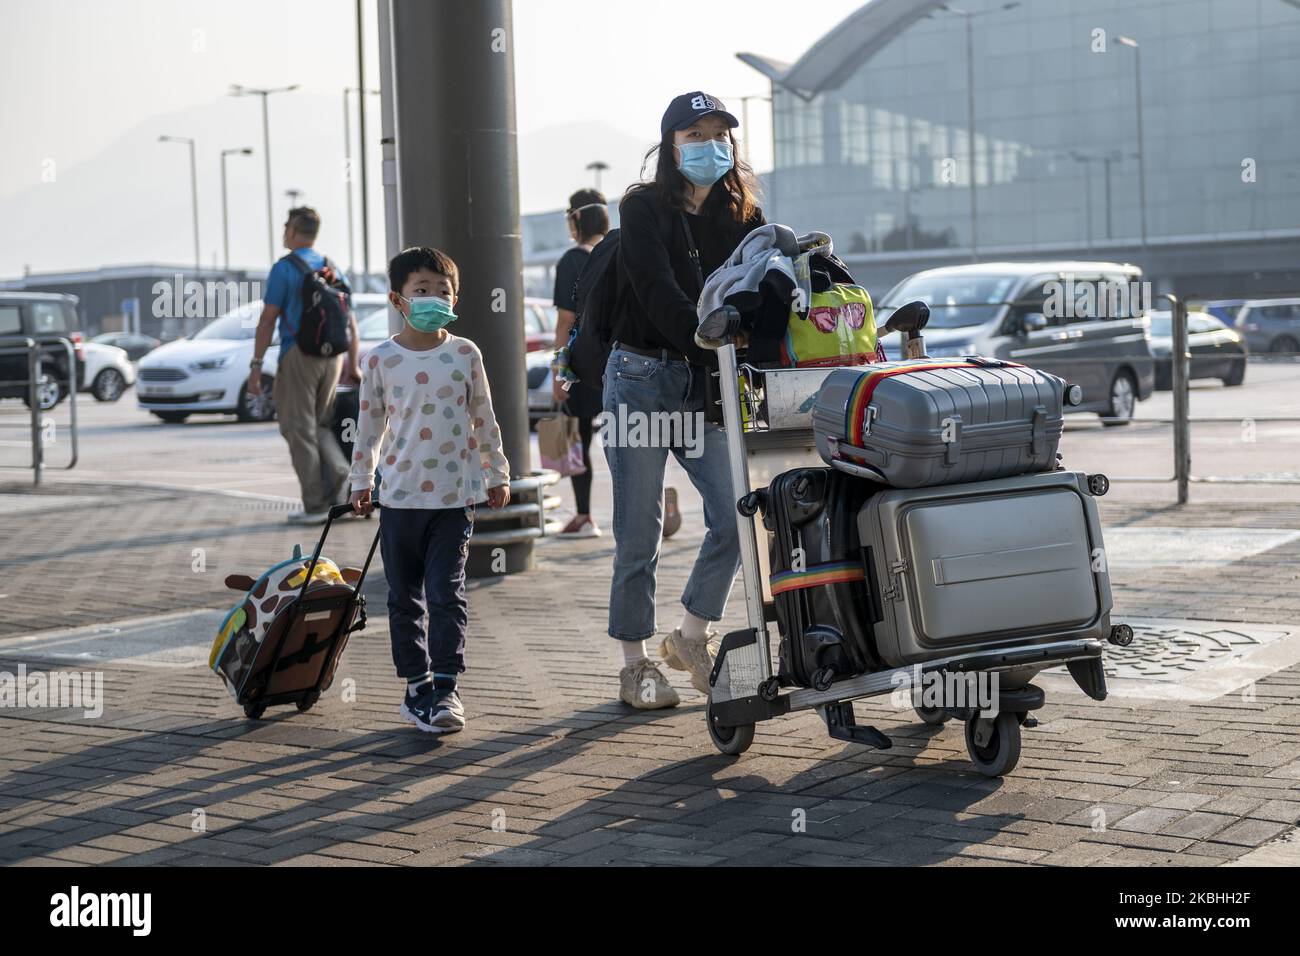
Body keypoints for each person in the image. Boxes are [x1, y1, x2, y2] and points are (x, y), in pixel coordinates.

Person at [604, 92, 765, 709]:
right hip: (643, 378)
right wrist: (710, 340)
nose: (709, 144)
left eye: (719, 133)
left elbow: (755, 289)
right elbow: (653, 287)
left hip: (706, 384)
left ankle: (691, 635)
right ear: (671, 143)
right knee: (639, 530)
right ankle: (635, 665)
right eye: (694, 134)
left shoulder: (744, 213)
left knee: (735, 516)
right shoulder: (642, 206)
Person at [349, 246, 510, 735]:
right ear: (399, 299)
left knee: (446, 594)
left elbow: (484, 416)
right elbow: (369, 425)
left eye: (444, 291)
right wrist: (361, 480)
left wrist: (496, 472)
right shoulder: (379, 360)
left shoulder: (465, 353)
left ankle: (445, 688)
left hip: (453, 499)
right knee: (404, 599)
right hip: (398, 499)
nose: (434, 298)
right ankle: (415, 686)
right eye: (423, 290)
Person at [250, 207, 359, 525]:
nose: (284, 232)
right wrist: (352, 362)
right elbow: (350, 321)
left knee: (298, 429)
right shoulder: (332, 267)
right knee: (321, 425)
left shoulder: (284, 269)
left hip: (300, 354)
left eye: (286, 227)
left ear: (295, 231)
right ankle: (341, 488)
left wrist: (256, 365)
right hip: (333, 358)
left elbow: (268, 319)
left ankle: (315, 505)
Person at [550, 188, 608, 537]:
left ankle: (585, 516)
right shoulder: (620, 251)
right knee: (634, 441)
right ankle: (651, 508)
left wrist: (559, 374)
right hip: (623, 360)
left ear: (576, 219)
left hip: (584, 367)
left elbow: (564, 322)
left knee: (578, 439)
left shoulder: (572, 259)